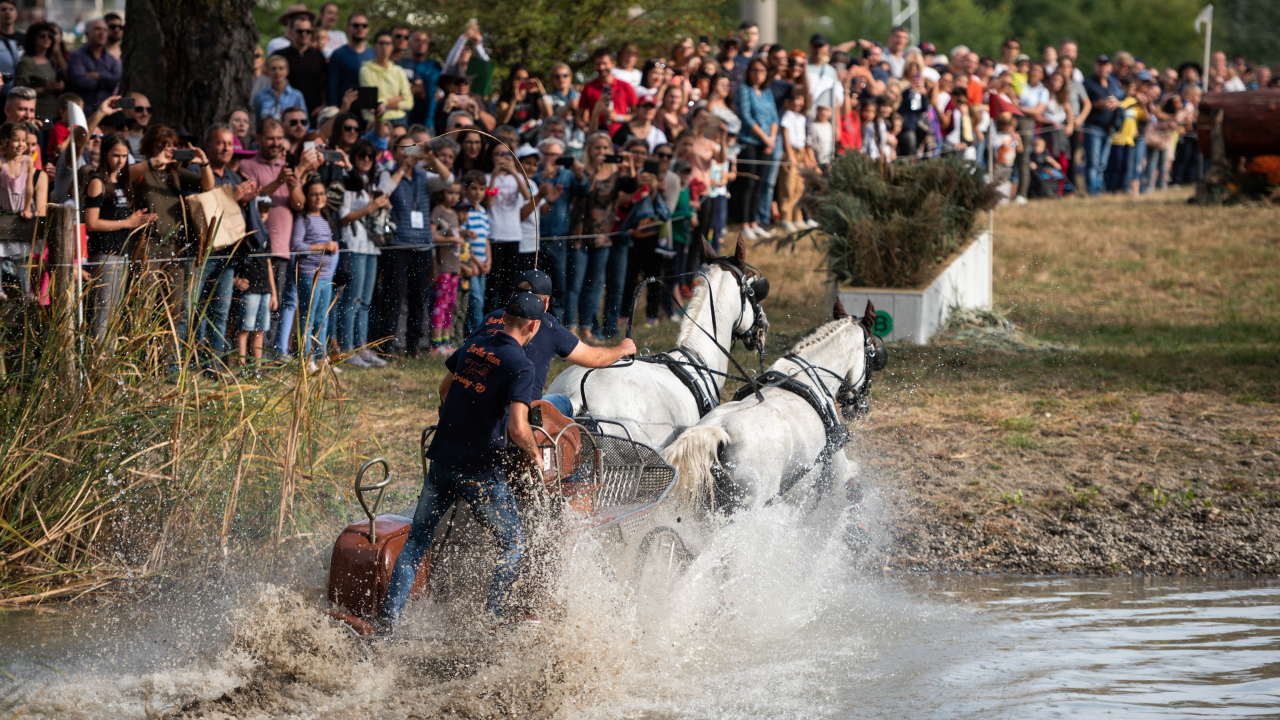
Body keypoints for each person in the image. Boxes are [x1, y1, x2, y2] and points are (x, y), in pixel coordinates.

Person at [379, 291, 545, 631]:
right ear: (532, 325)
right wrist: (534, 453)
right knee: (513, 543)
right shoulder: (521, 365)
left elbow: (444, 389)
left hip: (442, 460)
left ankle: (388, 623)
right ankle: (490, 623)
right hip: (480, 471)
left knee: (417, 542)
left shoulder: (474, 345)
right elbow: (518, 427)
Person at [475, 270, 637, 419]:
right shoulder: (547, 326)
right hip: (521, 416)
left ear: (512, 296)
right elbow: (596, 359)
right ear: (545, 304)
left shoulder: (490, 318)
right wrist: (623, 349)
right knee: (564, 401)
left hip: (479, 403)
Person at [370, 136, 437, 358]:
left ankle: (413, 346)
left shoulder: (424, 176)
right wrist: (403, 168)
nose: (411, 153)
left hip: (423, 245)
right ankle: (386, 346)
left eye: (413, 148)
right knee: (393, 296)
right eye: (406, 149)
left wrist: (432, 159)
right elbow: (383, 192)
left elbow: (449, 181)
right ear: (396, 151)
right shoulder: (389, 173)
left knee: (419, 297)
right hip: (398, 245)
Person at [84, 133, 156, 339]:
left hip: (121, 253)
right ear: (105, 154)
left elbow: (121, 217)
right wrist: (126, 223)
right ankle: (98, 365)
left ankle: (108, 364)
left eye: (124, 156)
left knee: (115, 315)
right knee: (103, 315)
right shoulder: (98, 182)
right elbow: (91, 222)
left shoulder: (122, 182)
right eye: (116, 155)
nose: (120, 161)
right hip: (104, 254)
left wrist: (139, 219)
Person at [335, 138, 389, 368]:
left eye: (370, 156)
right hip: (354, 245)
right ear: (353, 157)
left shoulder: (371, 181)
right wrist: (371, 207)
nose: (366, 160)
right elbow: (343, 216)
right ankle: (347, 350)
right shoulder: (348, 182)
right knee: (352, 300)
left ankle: (362, 347)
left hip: (371, 246)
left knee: (365, 302)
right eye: (361, 156)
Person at [530, 137, 587, 321]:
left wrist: (579, 172)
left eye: (557, 155)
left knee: (559, 287)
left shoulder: (567, 175)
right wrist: (544, 175)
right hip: (536, 239)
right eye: (549, 154)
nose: (553, 158)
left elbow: (584, 189)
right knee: (535, 286)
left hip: (558, 239)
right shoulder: (533, 173)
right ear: (542, 155)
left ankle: (557, 326)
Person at [482, 142, 538, 314]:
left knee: (510, 282)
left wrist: (514, 171)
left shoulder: (518, 177)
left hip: (514, 235)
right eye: (498, 154)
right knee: (493, 283)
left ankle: (507, 317)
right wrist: (494, 176)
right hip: (495, 235)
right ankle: (490, 318)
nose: (502, 158)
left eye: (506, 154)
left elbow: (527, 195)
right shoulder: (486, 177)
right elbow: (489, 203)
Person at [290, 178, 340, 370]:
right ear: (306, 197)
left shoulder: (325, 219)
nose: (319, 197)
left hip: (326, 276)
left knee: (322, 318)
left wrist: (332, 247)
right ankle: (306, 359)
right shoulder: (303, 219)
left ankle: (321, 358)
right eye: (313, 193)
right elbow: (296, 246)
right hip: (309, 276)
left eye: (321, 193)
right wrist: (323, 247)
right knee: (308, 318)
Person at [733, 57, 777, 240]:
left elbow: (774, 117)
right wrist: (766, 138)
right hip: (749, 141)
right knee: (748, 183)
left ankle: (754, 221)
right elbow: (746, 116)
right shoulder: (744, 90)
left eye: (762, 71)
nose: (758, 74)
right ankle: (744, 223)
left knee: (760, 183)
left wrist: (772, 139)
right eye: (755, 70)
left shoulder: (767, 92)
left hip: (766, 144)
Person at [271, 13, 327, 121]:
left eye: (308, 31)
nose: (304, 34)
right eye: (300, 31)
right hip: (287, 112)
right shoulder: (281, 56)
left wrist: (323, 105)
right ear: (291, 31)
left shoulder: (318, 55)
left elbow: (324, 82)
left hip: (314, 111)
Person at [1082, 55, 1123, 197]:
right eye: (1100, 65)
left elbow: (1121, 100)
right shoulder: (1088, 83)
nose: (1103, 68)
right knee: (1093, 163)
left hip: (1109, 128)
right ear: (1095, 66)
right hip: (1093, 127)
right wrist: (1096, 104)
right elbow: (1083, 104)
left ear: (1110, 68)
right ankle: (1093, 192)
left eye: (1105, 65)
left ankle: (1099, 190)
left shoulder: (1113, 84)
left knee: (1102, 164)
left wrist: (1116, 104)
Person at [461, 170, 492, 337]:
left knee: (478, 301)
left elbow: (486, 239)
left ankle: (474, 334)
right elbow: (465, 242)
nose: (478, 192)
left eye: (481, 189)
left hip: (482, 264)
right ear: (465, 189)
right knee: (475, 301)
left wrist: (488, 261)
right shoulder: (465, 211)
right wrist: (477, 263)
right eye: (473, 188)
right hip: (471, 263)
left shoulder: (483, 211)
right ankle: (480, 335)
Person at [777, 88, 813, 232]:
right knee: (788, 186)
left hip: (801, 153)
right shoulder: (788, 115)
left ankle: (796, 216)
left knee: (799, 186)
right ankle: (785, 217)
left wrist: (806, 157)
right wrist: (790, 154)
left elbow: (803, 141)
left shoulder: (802, 117)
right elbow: (786, 134)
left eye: (800, 99)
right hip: (790, 152)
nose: (797, 102)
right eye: (794, 99)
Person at [65, 18, 118, 115]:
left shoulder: (112, 60)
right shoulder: (77, 56)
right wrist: (106, 82)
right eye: (97, 29)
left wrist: (98, 76)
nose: (102, 33)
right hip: (82, 113)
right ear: (87, 33)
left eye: (105, 30)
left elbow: (116, 81)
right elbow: (79, 81)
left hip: (105, 115)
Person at [360, 30, 413, 125]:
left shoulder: (398, 70)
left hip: (399, 119)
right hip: (376, 119)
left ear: (392, 47)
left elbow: (409, 103)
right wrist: (397, 98)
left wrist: (384, 105)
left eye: (388, 43)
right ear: (375, 46)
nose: (385, 46)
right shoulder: (365, 69)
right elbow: (370, 103)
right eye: (381, 43)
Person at [15, 22, 64, 125]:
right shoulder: (26, 62)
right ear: (33, 38)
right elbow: (18, 91)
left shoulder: (50, 60)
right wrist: (43, 89)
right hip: (35, 116)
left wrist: (58, 86)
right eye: (42, 35)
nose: (46, 38)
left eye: (50, 36)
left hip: (52, 114)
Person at [580, 48, 637, 135]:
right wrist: (586, 129)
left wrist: (619, 118)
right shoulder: (588, 88)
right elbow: (579, 116)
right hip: (596, 137)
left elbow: (637, 115)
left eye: (604, 64)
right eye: (598, 64)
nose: (601, 67)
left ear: (613, 64)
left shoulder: (625, 86)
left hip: (619, 138)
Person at [401, 30, 442, 133]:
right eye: (417, 40)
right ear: (409, 43)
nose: (421, 43)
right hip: (405, 121)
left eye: (424, 41)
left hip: (428, 122)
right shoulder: (402, 65)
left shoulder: (435, 66)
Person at [328, 13, 373, 105]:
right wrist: (334, 109)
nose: (360, 28)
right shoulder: (338, 54)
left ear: (367, 29)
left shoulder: (374, 54)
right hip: (345, 111)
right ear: (348, 28)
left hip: (369, 110)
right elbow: (332, 86)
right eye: (356, 25)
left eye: (364, 25)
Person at [253, 55, 307, 122]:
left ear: (287, 71)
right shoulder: (260, 95)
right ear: (268, 71)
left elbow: (305, 122)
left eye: (281, 68)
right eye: (273, 69)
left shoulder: (296, 96)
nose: (277, 72)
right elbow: (256, 121)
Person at [0, 0, 22, 94]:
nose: (7, 12)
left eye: (11, 9)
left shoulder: (24, 38)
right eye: (3, 9)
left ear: (16, 14)